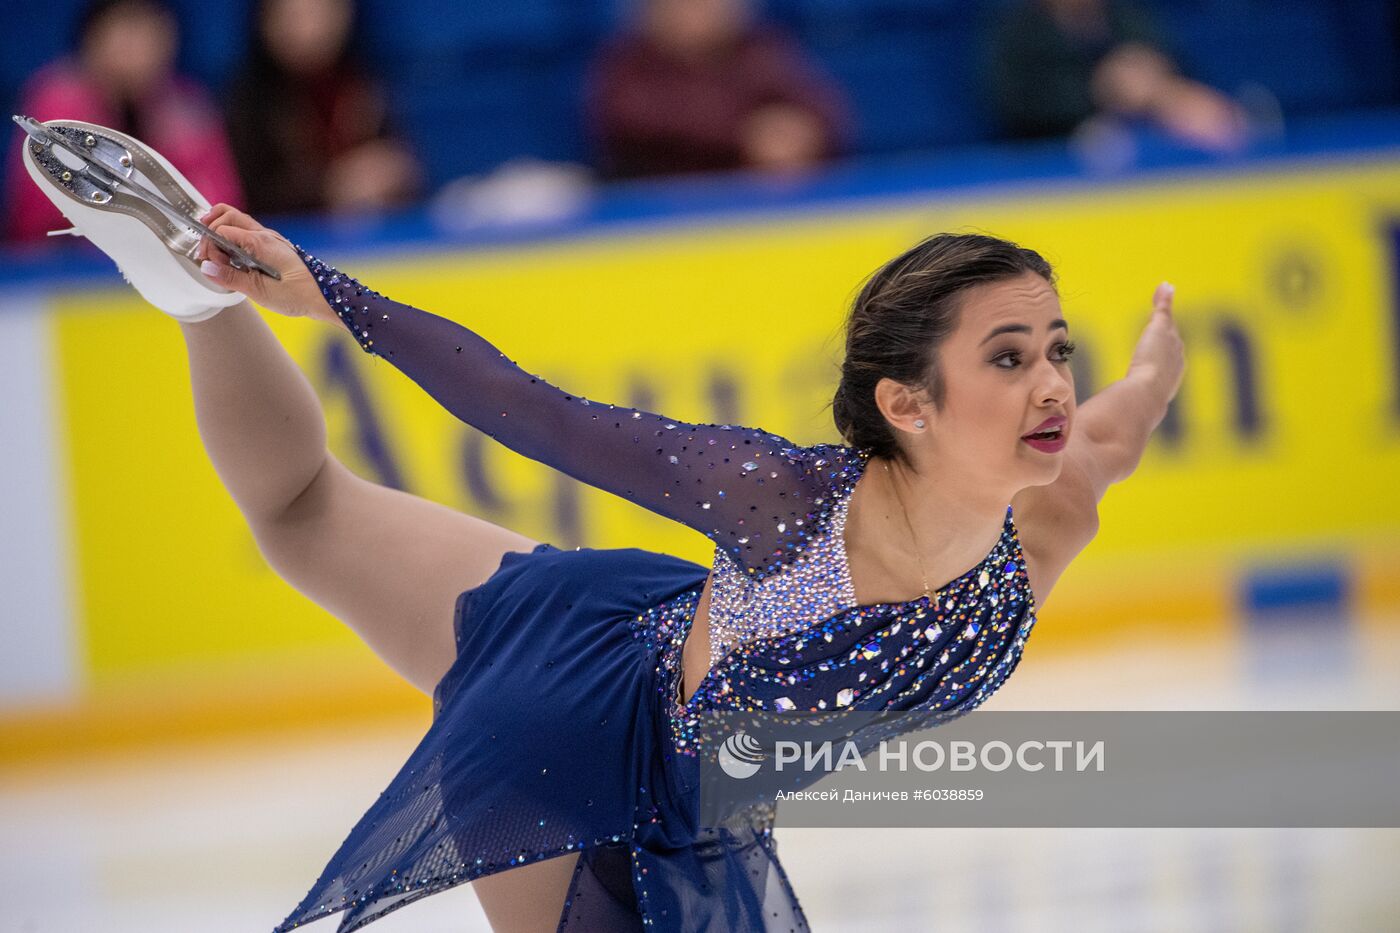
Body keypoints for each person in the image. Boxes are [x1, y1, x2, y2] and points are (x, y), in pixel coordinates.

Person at [20, 119, 1184, 931]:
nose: (1050, 387)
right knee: (302, 508)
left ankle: (185, 297)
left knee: (299, 510)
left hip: (610, 641)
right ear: (904, 404)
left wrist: (1153, 370)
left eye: (1057, 353)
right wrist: (320, 284)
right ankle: (209, 293)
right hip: (566, 754)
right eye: (1007, 356)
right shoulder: (784, 505)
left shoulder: (1038, 526)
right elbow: (528, 411)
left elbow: (1112, 434)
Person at [3, 0, 242, 244]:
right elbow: (37, 218)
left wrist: (173, 142)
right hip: (63, 261)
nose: (135, 46)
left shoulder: (188, 105)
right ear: (90, 37)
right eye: (123, 30)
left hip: (169, 257)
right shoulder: (55, 101)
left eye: (149, 32)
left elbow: (219, 211)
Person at [586, 0, 851, 179]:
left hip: (759, 201)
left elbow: (823, 108)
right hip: (661, 212)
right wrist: (747, 136)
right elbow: (631, 121)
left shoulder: (760, 50)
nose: (696, 12)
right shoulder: (629, 62)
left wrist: (800, 132)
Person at [224, 0, 420, 216]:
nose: (311, 29)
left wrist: (394, 172)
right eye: (294, 15)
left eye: (321, 11)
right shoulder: (248, 102)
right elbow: (250, 195)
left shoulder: (363, 84)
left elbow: (401, 165)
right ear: (265, 21)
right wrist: (332, 188)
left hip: (370, 240)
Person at [985, 0, 1248, 155]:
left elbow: (1167, 63)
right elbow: (1016, 100)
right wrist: (1101, 91)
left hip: (1150, 129)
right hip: (1053, 147)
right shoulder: (1019, 31)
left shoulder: (1125, 16)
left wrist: (1158, 89)